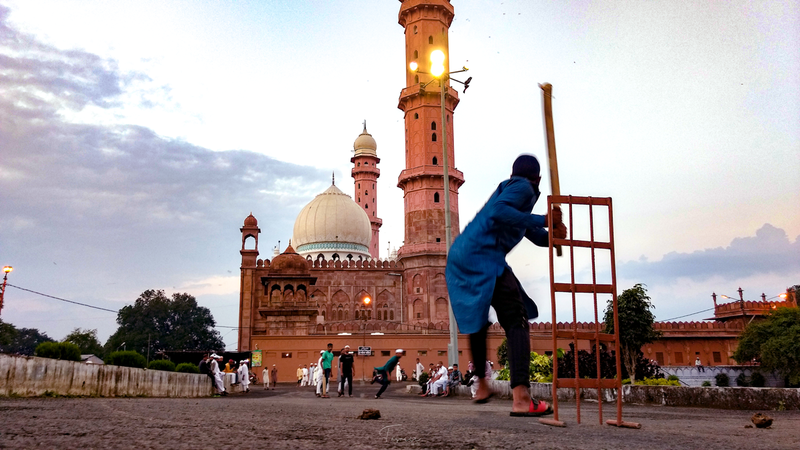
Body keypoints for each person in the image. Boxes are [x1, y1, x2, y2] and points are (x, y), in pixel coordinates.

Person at [446, 154, 566, 417]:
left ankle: (482, 386)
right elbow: (502, 212)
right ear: (538, 179)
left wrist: (555, 235)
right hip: (482, 257)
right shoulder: (523, 188)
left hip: (461, 255)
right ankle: (522, 398)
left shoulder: (515, 198)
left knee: (477, 321)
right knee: (516, 318)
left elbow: (533, 233)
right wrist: (545, 219)